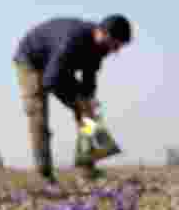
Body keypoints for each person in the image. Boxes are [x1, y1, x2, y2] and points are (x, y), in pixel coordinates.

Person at [13, 15, 132, 183]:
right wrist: (76, 101)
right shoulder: (73, 40)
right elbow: (51, 80)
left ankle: (87, 170)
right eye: (115, 45)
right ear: (103, 34)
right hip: (31, 61)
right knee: (38, 113)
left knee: (88, 115)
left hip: (58, 66)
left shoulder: (101, 47)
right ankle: (44, 174)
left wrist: (88, 100)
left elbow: (89, 76)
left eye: (118, 47)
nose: (115, 51)